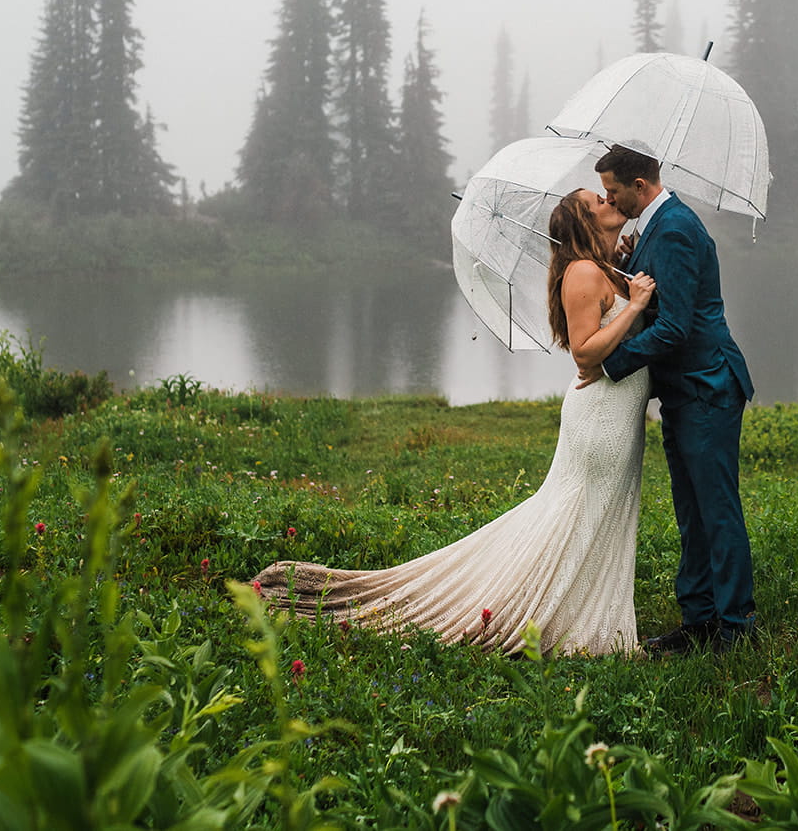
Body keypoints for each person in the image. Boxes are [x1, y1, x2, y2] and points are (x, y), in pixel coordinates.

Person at [251, 189, 655, 656]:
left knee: (599, 514)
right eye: (598, 201)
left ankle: (585, 610)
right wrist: (635, 306)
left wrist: (627, 281)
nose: (609, 201)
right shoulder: (582, 272)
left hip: (619, 413)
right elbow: (585, 352)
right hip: (601, 415)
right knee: (581, 513)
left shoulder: (604, 267)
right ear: (585, 222)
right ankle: (567, 618)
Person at [580, 143, 755, 655]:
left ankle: (735, 628)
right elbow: (660, 300)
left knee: (716, 510)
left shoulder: (675, 228)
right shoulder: (657, 227)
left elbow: (676, 326)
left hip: (707, 385)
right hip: (682, 392)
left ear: (640, 186)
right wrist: (626, 267)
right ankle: (698, 620)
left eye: (613, 191)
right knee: (691, 511)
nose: (611, 200)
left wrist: (609, 364)